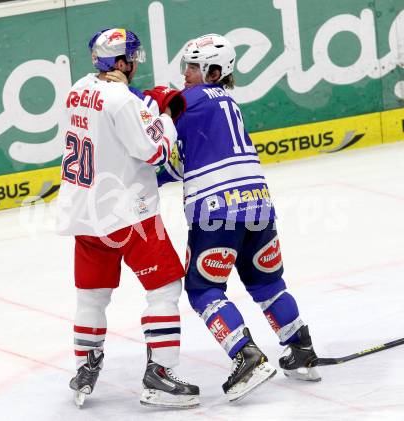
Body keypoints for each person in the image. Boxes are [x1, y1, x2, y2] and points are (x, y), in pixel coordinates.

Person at [156, 34, 321, 402]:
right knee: (267, 283)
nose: (185, 73)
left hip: (216, 210)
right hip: (259, 204)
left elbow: (158, 141)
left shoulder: (187, 102)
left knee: (203, 289)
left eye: (193, 68)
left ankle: (246, 356)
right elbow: (187, 159)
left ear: (214, 71)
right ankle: (301, 349)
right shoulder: (226, 101)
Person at [56, 27, 199, 409]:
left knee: (91, 298)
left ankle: (84, 367)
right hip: (128, 214)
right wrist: (163, 114)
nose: (135, 64)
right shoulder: (122, 100)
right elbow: (154, 153)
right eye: (131, 58)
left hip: (85, 214)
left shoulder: (77, 89)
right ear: (120, 63)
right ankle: (161, 377)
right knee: (165, 289)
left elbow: (108, 115)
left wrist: (139, 103)